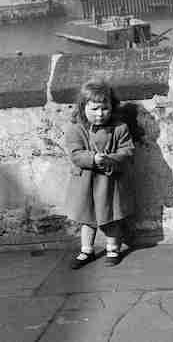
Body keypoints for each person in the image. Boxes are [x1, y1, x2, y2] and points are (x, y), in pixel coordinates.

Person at [64, 77, 135, 268]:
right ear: (82, 107)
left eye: (105, 108)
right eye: (94, 109)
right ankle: (87, 249)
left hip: (109, 182)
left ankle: (113, 247)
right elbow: (75, 153)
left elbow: (127, 151)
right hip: (86, 182)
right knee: (88, 219)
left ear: (112, 107)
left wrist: (111, 159)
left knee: (111, 216)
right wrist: (92, 159)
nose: (100, 114)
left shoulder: (119, 128)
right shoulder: (76, 129)